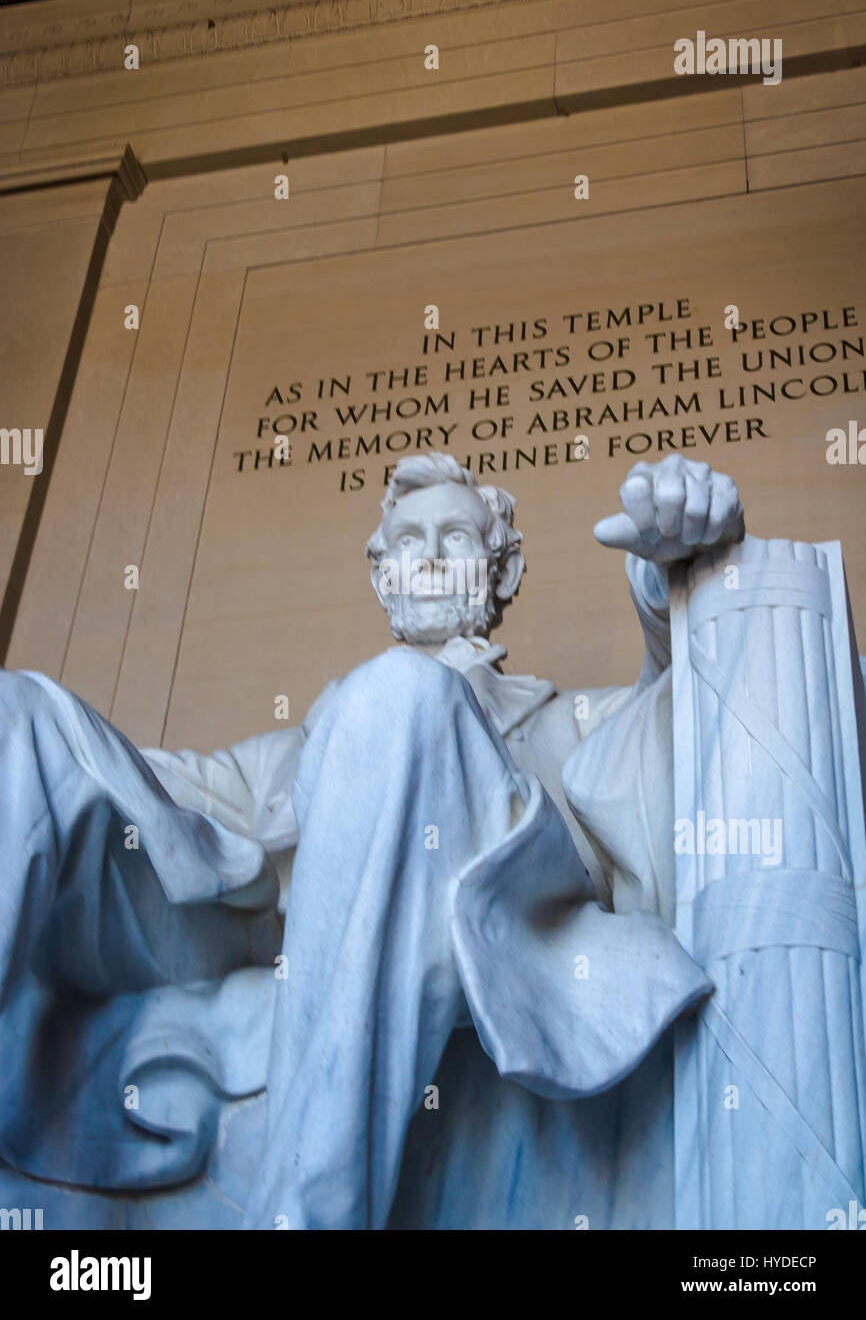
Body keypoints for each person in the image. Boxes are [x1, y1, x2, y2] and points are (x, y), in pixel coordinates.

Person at [0, 453, 745, 1228]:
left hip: (506, 943)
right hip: (255, 937)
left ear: (503, 570)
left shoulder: (570, 723)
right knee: (19, 715)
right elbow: (149, 801)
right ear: (382, 574)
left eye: (454, 537)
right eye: (407, 541)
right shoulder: (284, 754)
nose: (425, 556)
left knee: (402, 696)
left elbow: (678, 732)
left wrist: (678, 586)